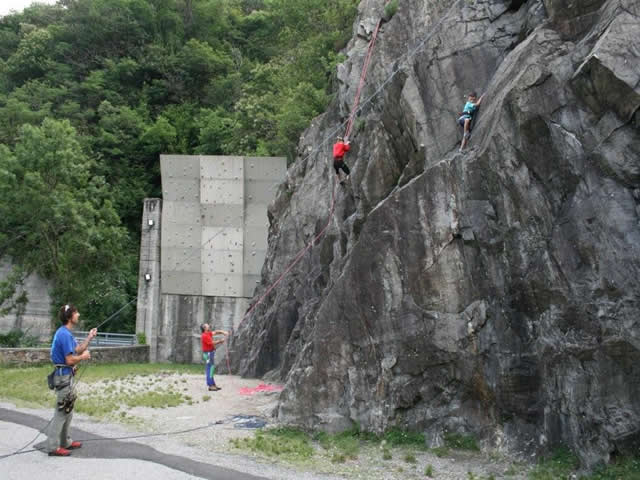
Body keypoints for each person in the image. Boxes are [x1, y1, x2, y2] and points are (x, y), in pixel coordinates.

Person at [46, 304, 97, 456]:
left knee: (68, 410)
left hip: (66, 376)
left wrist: (89, 337)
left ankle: (65, 442)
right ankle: (53, 447)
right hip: (63, 377)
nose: (78, 314)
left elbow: (77, 350)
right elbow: (69, 360)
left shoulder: (65, 333)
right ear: (70, 317)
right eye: (76, 313)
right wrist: (83, 357)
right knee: (62, 411)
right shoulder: (64, 334)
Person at [200, 324, 229, 391]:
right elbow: (212, 343)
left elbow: (216, 332)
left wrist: (223, 332)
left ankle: (213, 385)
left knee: (211, 369)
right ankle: (210, 386)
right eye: (207, 325)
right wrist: (220, 341)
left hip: (210, 353)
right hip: (208, 354)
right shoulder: (204, 336)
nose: (209, 325)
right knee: (210, 369)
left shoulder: (208, 333)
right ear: (205, 328)